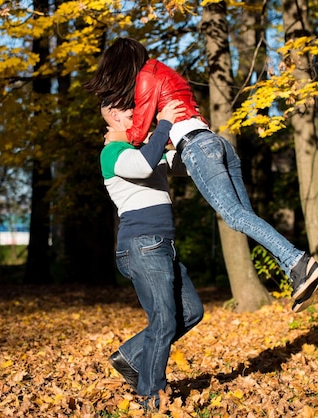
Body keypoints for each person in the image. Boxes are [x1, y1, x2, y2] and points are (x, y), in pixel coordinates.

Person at [85, 37, 318, 313]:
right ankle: (296, 272)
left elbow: (138, 133)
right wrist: (156, 134)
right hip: (215, 143)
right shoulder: (164, 73)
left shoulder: (146, 78)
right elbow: (158, 138)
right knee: (245, 217)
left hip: (198, 147)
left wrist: (115, 137)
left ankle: (299, 262)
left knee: (234, 216)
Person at [100, 99, 204, 411]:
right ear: (116, 117)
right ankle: (151, 399)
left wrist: (198, 135)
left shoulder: (146, 149)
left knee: (190, 312)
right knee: (162, 321)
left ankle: (131, 356)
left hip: (162, 246)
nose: (140, 117)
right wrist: (164, 124)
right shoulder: (113, 153)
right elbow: (144, 165)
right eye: (133, 114)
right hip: (141, 245)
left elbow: (187, 167)